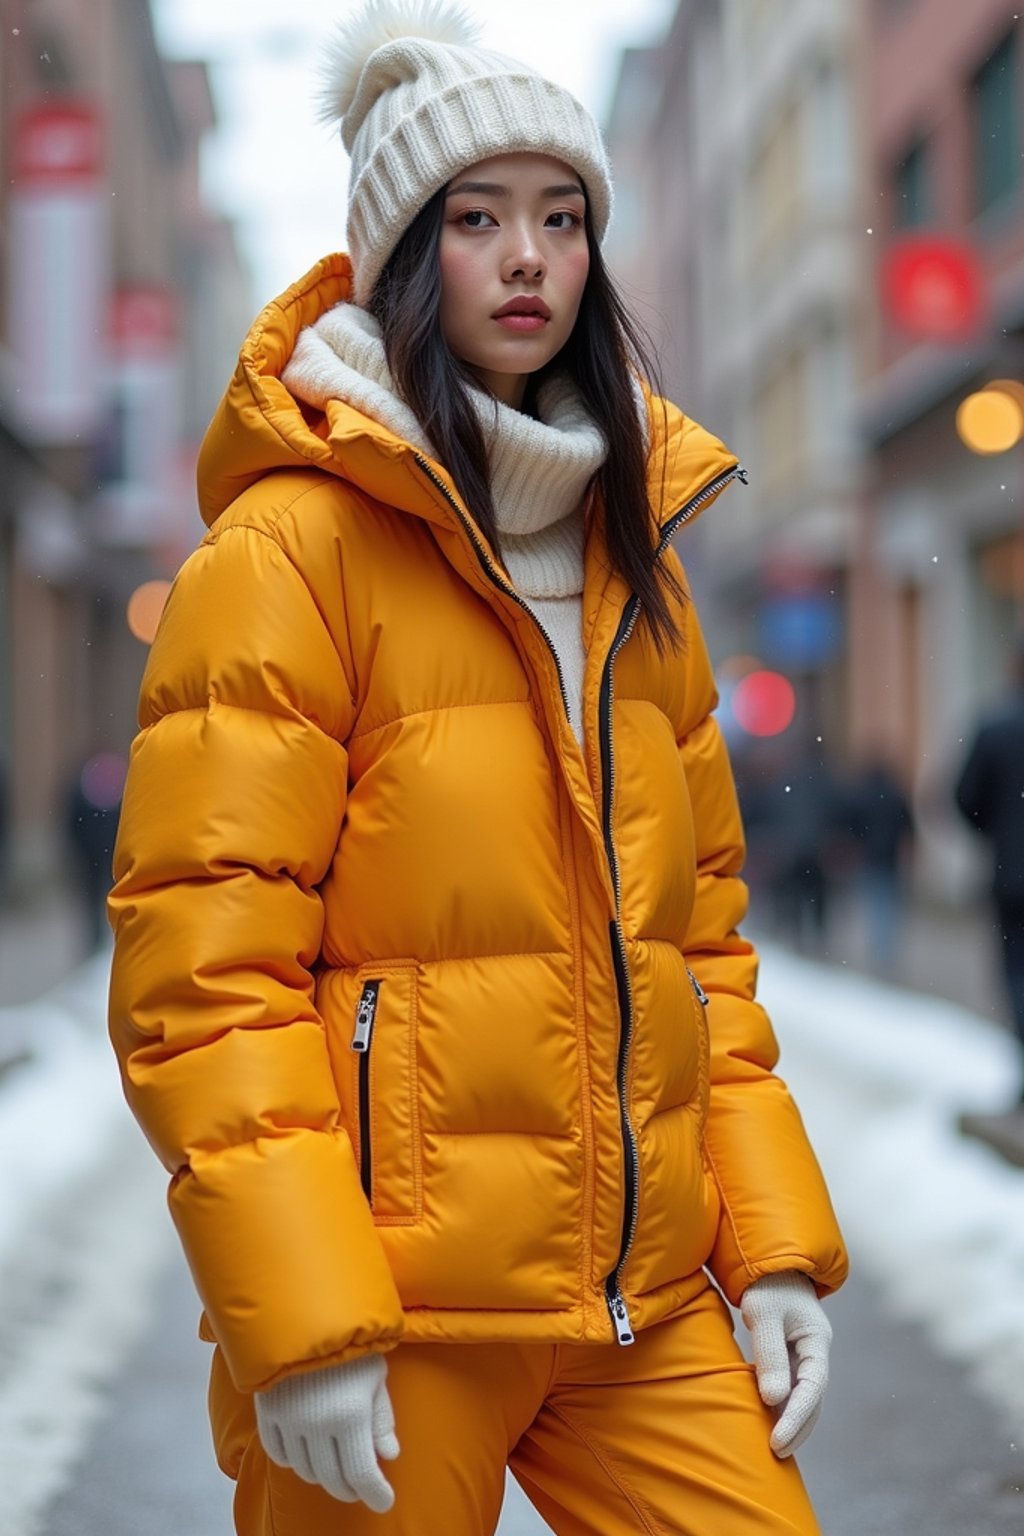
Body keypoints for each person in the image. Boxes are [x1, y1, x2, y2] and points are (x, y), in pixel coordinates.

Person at [107, 6, 848, 1533]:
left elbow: (700, 944)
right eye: (477, 218)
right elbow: (205, 967)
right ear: (403, 253)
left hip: (639, 1308)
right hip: (393, 1305)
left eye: (562, 218)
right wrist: (303, 1321)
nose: (528, 257)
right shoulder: (288, 550)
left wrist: (768, 1242)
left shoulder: (638, 557)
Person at [955, 634, 1024, 1119]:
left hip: (1013, 877)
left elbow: (962, 797)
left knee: (1018, 976)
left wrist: (997, 832)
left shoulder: (996, 727)